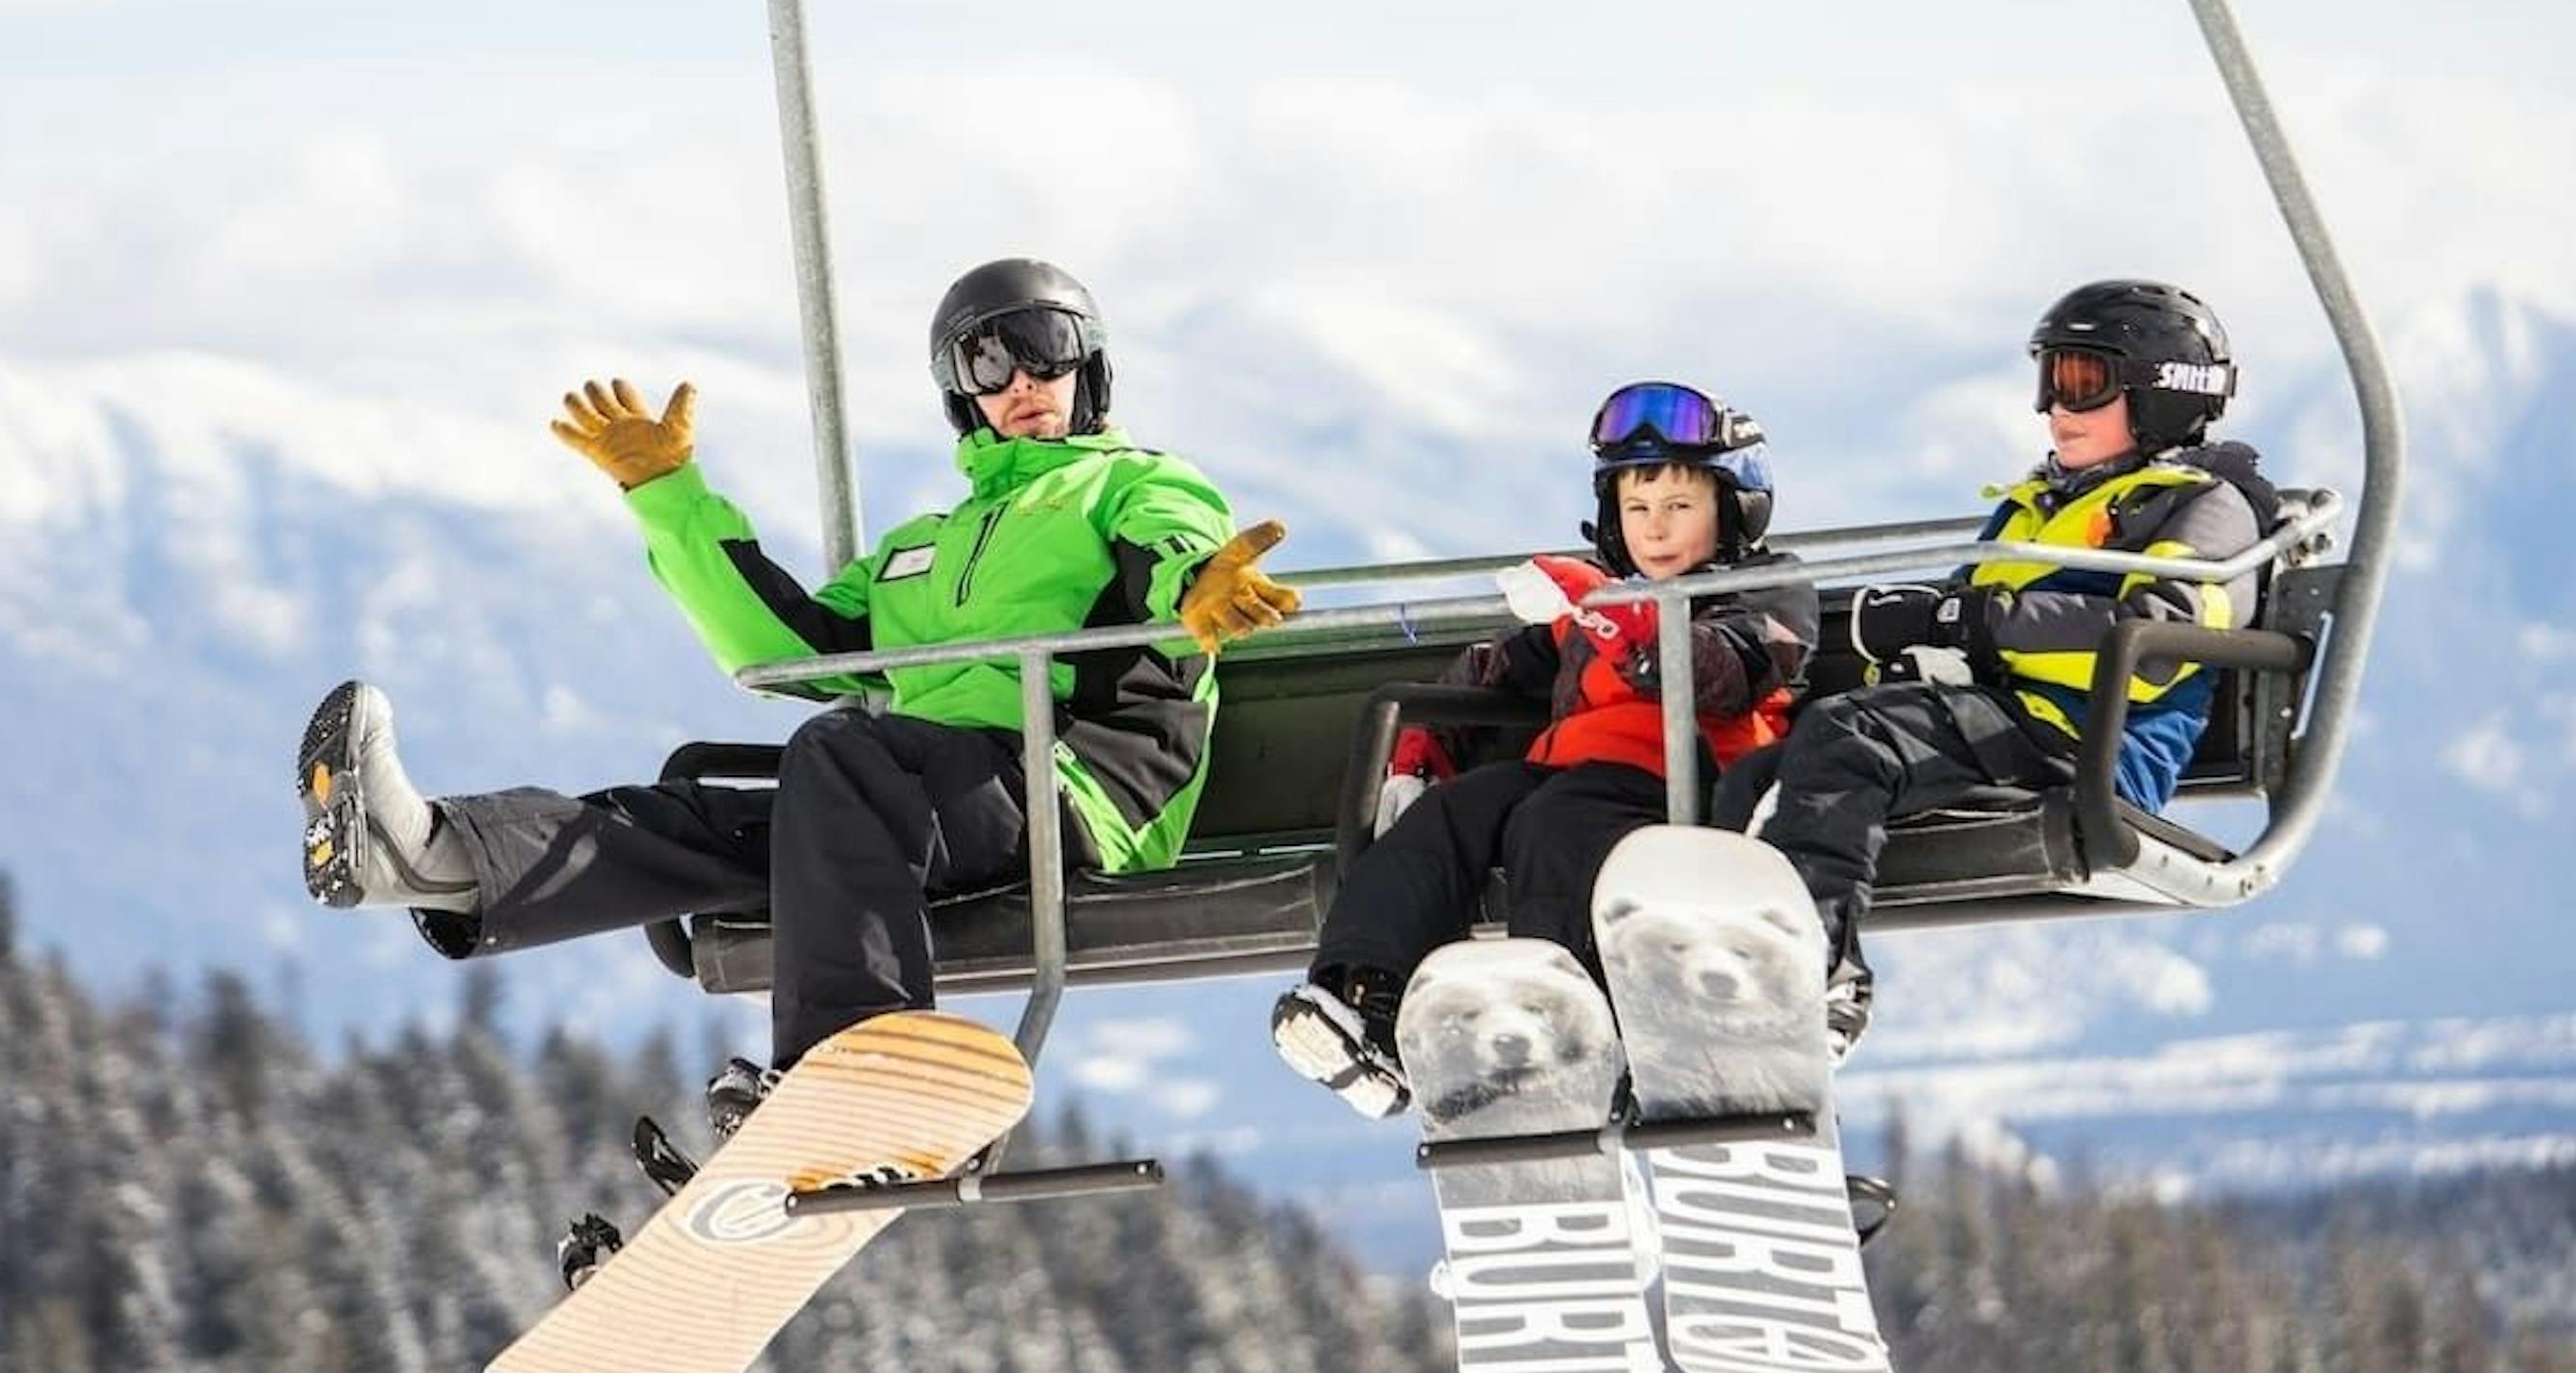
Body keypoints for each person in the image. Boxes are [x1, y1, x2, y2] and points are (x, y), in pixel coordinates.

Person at [296, 257, 1299, 1137]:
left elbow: (1178, 545)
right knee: (694, 814)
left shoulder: (1134, 485)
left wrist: (1199, 584)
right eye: (985, 363)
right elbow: (785, 652)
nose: (1023, 381)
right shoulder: (921, 547)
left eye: (1044, 347)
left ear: (1092, 363)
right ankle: (437, 857)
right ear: (962, 393)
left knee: (842, 755)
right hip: (924, 800)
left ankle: (861, 1061)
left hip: (1071, 786)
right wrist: (670, 497)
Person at [1721, 278, 2278, 1064]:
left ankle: (1817, 981)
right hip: (2002, 727)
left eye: (2083, 381)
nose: (2055, 405)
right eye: (2049, 379)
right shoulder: (2038, 502)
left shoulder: (2205, 507)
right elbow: (1967, 620)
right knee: (1753, 779)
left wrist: (1974, 624)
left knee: (1850, 738)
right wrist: (1920, 637)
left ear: (2161, 394)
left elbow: (2165, 639)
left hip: (2087, 745)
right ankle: (1728, 1005)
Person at [1266, 381, 1818, 1119]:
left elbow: (1722, 674)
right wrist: (1420, 754)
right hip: (1577, 781)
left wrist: (1613, 614)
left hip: (1681, 789)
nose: (1655, 528)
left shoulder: (1765, 591)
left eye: (1679, 507)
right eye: (1637, 508)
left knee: (1552, 816)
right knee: (1457, 812)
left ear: (1733, 508)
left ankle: (1576, 1019)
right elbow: (1489, 672)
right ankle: (1363, 1003)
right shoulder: (1596, 607)